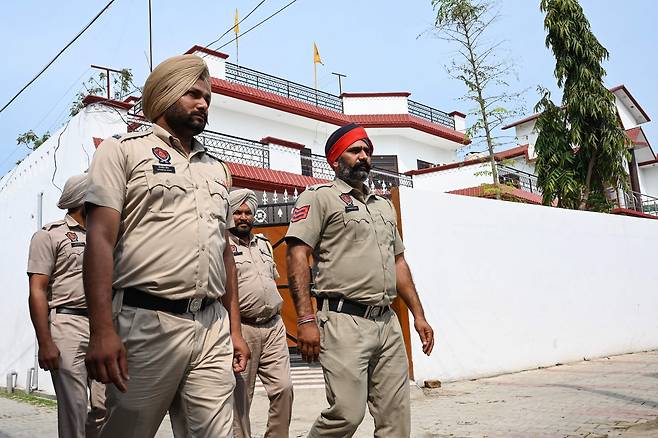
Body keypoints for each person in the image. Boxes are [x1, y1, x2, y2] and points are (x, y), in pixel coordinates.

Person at [82, 54, 249, 438]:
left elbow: (224, 253)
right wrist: (102, 330)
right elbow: (100, 240)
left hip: (211, 326)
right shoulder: (122, 151)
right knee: (128, 430)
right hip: (146, 322)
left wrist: (235, 329)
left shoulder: (217, 169)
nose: (203, 103)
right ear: (165, 94)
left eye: (207, 96)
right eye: (192, 94)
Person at [285, 123, 435, 437]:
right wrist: (305, 319)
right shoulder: (319, 198)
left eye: (367, 150)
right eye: (355, 151)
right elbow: (298, 256)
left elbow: (399, 263)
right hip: (343, 323)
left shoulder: (382, 206)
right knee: (346, 414)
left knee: (396, 419)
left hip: (386, 323)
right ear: (335, 159)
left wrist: (418, 316)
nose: (363, 156)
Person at [27, 173, 106, 438]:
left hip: (103, 326)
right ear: (86, 200)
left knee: (105, 406)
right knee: (74, 407)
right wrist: (45, 342)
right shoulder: (49, 236)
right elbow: (37, 291)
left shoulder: (106, 236)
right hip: (67, 326)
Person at [228, 189, 294, 438]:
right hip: (242, 328)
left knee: (284, 388)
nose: (244, 217)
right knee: (240, 397)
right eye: (238, 213)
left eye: (248, 213)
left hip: (274, 325)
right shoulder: (222, 247)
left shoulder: (264, 244)